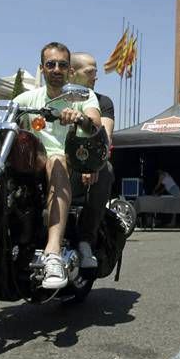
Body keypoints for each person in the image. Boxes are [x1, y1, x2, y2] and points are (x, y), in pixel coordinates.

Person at [14, 42, 101, 289]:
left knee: (56, 160)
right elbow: (0, 113)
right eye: (50, 64)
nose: (56, 69)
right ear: (42, 68)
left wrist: (81, 117)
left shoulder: (82, 96)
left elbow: (95, 123)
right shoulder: (28, 98)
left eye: (62, 65)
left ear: (69, 71)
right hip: (33, 162)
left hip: (67, 163)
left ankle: (52, 253)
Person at [70, 52, 115, 269]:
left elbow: (104, 137)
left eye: (96, 72)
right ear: (72, 73)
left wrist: (92, 161)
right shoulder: (50, 97)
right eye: (90, 72)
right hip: (55, 160)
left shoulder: (102, 102)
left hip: (82, 163)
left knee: (105, 168)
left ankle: (86, 241)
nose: (95, 76)